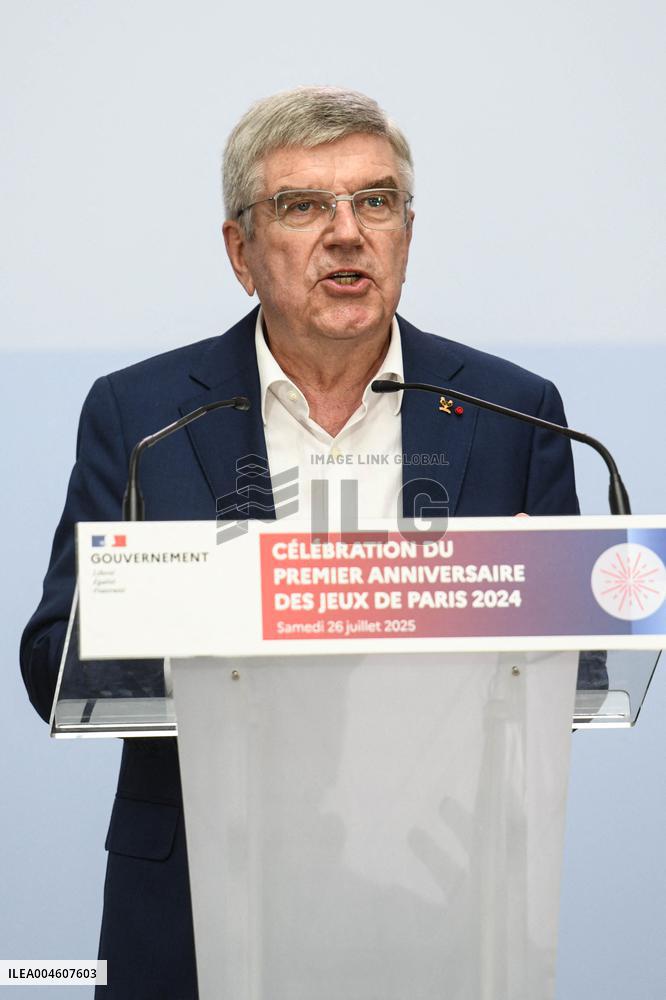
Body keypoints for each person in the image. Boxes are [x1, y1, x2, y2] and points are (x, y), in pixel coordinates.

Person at [20, 86, 579, 999]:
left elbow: (583, 664)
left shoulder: (513, 413)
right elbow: (52, 662)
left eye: (376, 200)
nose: (348, 232)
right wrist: (199, 601)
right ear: (242, 252)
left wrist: (526, 593)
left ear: (406, 232)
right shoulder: (143, 414)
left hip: (445, 884)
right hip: (196, 890)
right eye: (303, 206)